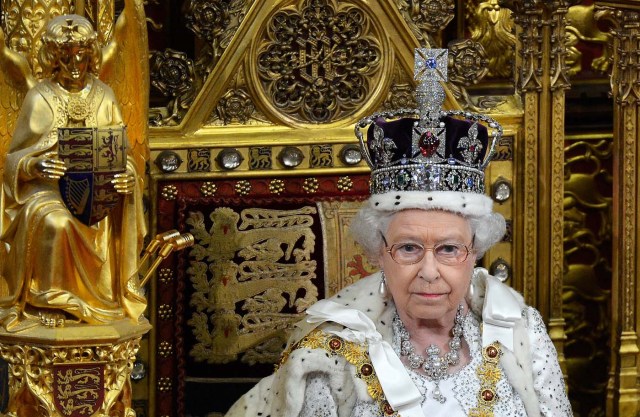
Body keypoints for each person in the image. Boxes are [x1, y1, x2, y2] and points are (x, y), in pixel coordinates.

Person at [225, 49, 572, 416]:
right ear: (378, 252)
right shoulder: (330, 355)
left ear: (475, 252)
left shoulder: (520, 332)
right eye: (408, 248)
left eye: (449, 249)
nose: (429, 270)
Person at [0, 14, 147, 330]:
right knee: (58, 223)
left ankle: (103, 301)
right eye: (66, 58)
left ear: (92, 55)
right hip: (47, 192)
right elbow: (13, 160)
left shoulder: (104, 95)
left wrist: (127, 176)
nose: (76, 64)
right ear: (54, 58)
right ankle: (50, 301)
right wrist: (33, 165)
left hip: (97, 196)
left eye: (82, 55)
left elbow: (122, 152)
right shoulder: (39, 96)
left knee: (101, 217)